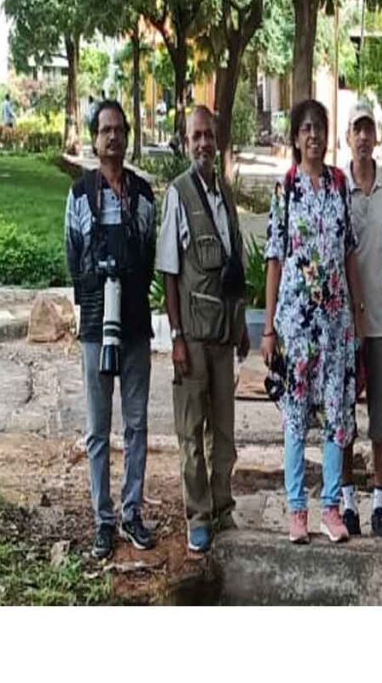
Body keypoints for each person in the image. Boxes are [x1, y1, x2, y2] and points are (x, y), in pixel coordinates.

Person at [261, 99, 366, 545]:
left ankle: (330, 509)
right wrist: (267, 329)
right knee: (296, 417)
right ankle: (297, 511)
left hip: (336, 325)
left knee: (336, 416)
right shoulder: (285, 190)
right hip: (297, 326)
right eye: (305, 129)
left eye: (319, 128)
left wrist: (357, 314)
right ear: (296, 137)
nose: (313, 136)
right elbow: (274, 259)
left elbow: (348, 254)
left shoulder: (340, 186)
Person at [64, 100, 157, 559]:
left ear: (128, 136)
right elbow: (72, 255)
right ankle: (103, 520)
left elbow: (149, 252)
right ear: (94, 138)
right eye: (105, 130)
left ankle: (132, 512)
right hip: (96, 326)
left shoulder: (142, 195)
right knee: (98, 429)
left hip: (137, 325)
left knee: (136, 425)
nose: (113, 137)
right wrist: (93, 307)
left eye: (120, 129)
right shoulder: (80, 194)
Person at [155, 106, 250, 553]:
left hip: (223, 336)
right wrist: (175, 336)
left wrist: (242, 326)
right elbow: (170, 272)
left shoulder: (225, 194)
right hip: (192, 335)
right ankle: (197, 515)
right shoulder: (179, 194)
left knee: (225, 435)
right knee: (191, 433)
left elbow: (234, 267)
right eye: (196, 137)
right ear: (185, 141)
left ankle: (222, 507)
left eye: (209, 136)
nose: (203, 144)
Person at [340, 100, 382, 538]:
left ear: (376, 137)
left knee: (381, 418)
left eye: (368, 130)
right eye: (356, 130)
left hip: (380, 321)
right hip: (340, 325)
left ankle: (378, 502)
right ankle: (345, 502)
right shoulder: (335, 187)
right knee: (342, 418)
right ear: (347, 137)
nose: (363, 137)